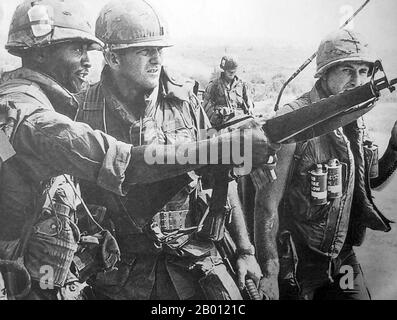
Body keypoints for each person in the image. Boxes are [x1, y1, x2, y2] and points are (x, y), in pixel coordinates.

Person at [0, 0, 276, 300]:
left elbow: (221, 179)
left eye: (160, 50)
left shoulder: (185, 103)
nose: (157, 59)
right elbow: (126, 163)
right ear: (113, 58)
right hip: (119, 277)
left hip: (195, 263)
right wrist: (220, 148)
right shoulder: (69, 111)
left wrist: (245, 250)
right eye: (144, 50)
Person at [255, 29, 397, 300]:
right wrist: (270, 272)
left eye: (365, 71)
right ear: (324, 73)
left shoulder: (355, 118)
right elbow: (266, 205)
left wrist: (394, 146)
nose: (358, 81)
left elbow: (369, 184)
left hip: (341, 258)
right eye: (347, 70)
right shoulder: (294, 122)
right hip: (296, 264)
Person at [203, 55, 254, 126]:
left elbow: (248, 101)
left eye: (233, 71)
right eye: (229, 71)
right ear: (224, 70)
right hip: (220, 124)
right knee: (209, 134)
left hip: (240, 122)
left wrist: (250, 108)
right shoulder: (214, 85)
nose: (231, 73)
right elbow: (205, 108)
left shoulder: (242, 85)